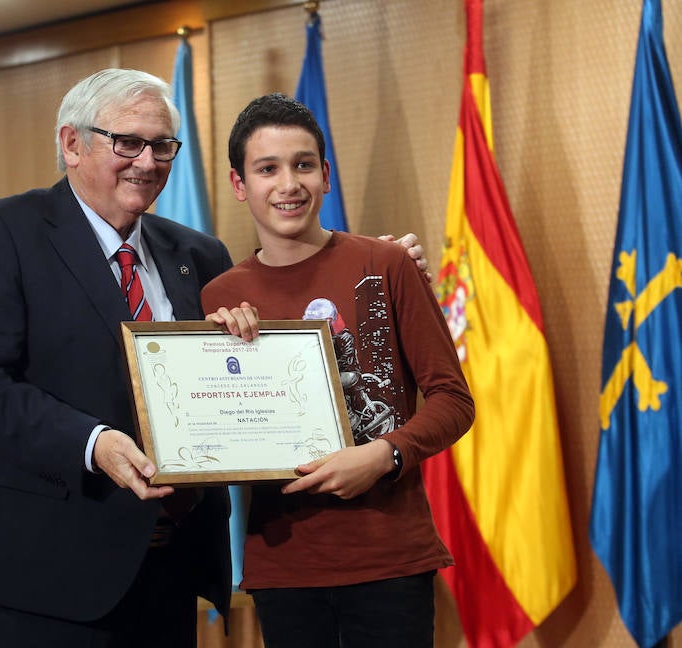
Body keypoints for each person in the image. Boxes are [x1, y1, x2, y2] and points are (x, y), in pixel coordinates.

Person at [0, 68, 430, 648]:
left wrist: (374, 267)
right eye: (128, 142)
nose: (148, 162)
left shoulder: (197, 253)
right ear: (72, 143)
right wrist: (92, 443)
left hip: (167, 571)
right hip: (38, 573)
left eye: (163, 145)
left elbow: (272, 326)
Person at [201, 93, 475, 647]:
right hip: (283, 566)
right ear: (239, 185)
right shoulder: (220, 297)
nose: (289, 184)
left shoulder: (388, 264)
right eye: (267, 169)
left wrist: (383, 455)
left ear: (326, 175)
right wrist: (224, 357)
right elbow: (214, 436)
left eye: (303, 165)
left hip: (390, 558)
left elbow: (453, 400)